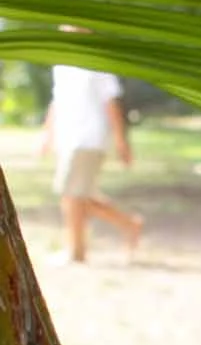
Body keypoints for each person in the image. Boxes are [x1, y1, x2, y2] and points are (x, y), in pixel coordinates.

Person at [41, 63, 143, 265]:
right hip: (68, 138)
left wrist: (121, 141)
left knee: (72, 195)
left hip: (89, 138)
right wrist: (47, 133)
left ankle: (76, 251)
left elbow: (111, 103)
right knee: (77, 197)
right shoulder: (60, 64)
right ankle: (129, 224)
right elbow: (57, 101)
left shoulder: (96, 63)